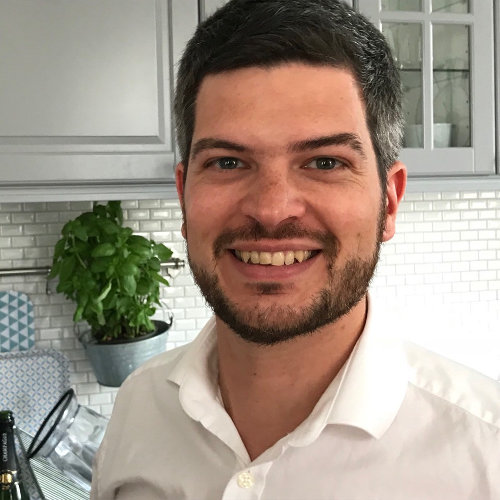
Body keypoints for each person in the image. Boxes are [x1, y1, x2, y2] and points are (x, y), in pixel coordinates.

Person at [91, 1, 500, 498]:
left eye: (325, 162)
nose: (271, 209)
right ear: (183, 196)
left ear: (389, 202)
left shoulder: (485, 457)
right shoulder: (139, 407)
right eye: (227, 163)